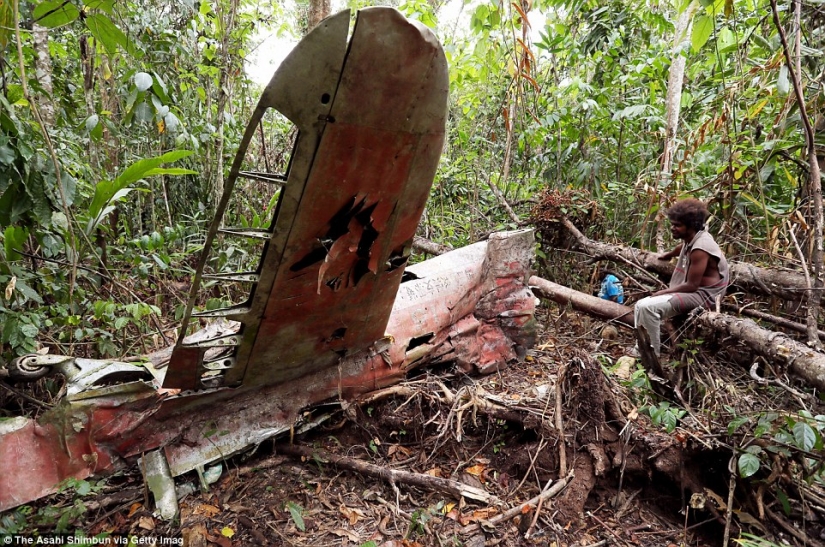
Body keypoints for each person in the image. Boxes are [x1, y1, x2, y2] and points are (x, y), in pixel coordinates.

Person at [634, 198, 729, 356]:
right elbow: (683, 246)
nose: (673, 228)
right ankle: (641, 348)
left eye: (677, 225)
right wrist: (669, 254)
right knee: (639, 305)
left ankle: (651, 354)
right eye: (672, 224)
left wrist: (661, 293)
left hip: (705, 295)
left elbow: (691, 285)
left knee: (647, 307)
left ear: (691, 226)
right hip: (697, 291)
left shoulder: (701, 248)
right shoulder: (695, 237)